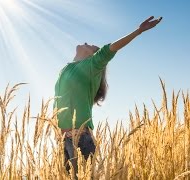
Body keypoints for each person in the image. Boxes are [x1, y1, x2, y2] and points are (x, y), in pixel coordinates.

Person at [53, 16, 162, 176]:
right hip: (64, 141)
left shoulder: (91, 66)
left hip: (81, 140)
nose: (86, 43)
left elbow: (111, 48)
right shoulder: (66, 69)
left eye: (90, 46)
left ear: (92, 56)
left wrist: (138, 31)